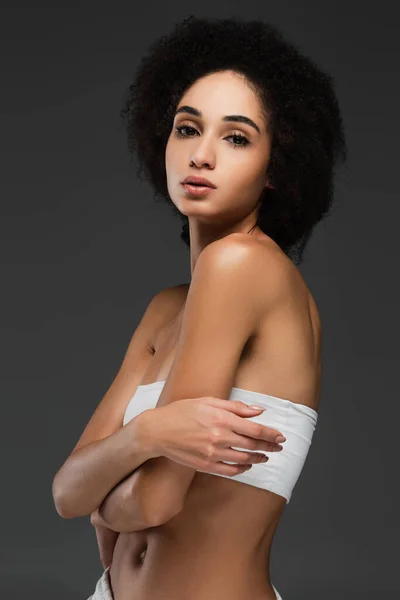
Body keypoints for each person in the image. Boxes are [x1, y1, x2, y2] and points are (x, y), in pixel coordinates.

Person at [52, 15, 347, 600]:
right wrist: (152, 435)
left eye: (236, 137)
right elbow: (65, 492)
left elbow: (151, 501)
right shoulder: (166, 309)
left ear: (275, 169)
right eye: (188, 129)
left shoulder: (240, 265)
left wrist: (106, 493)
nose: (203, 154)